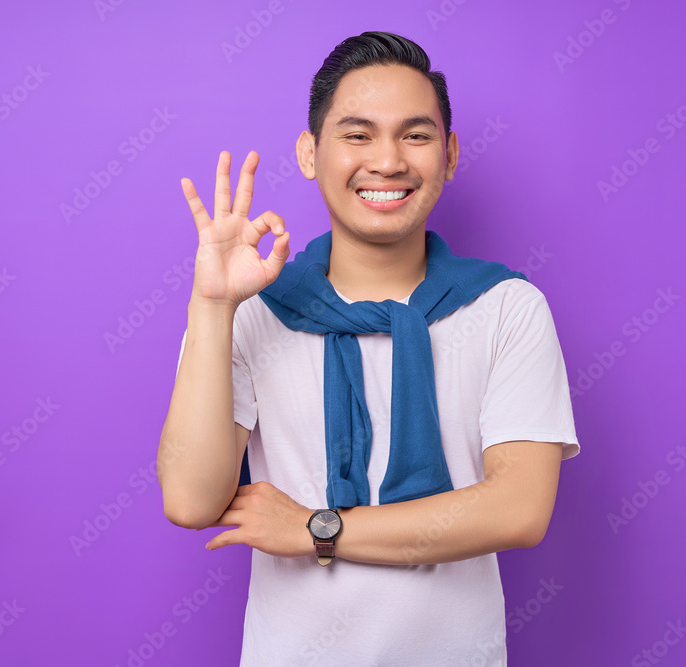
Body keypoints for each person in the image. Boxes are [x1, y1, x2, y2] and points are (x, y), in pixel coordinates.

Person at [158, 31, 580, 666]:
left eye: (415, 135)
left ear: (450, 153)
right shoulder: (250, 309)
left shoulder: (505, 307)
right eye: (357, 135)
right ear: (309, 152)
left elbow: (519, 508)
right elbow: (191, 501)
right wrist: (213, 307)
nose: (387, 161)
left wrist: (315, 528)